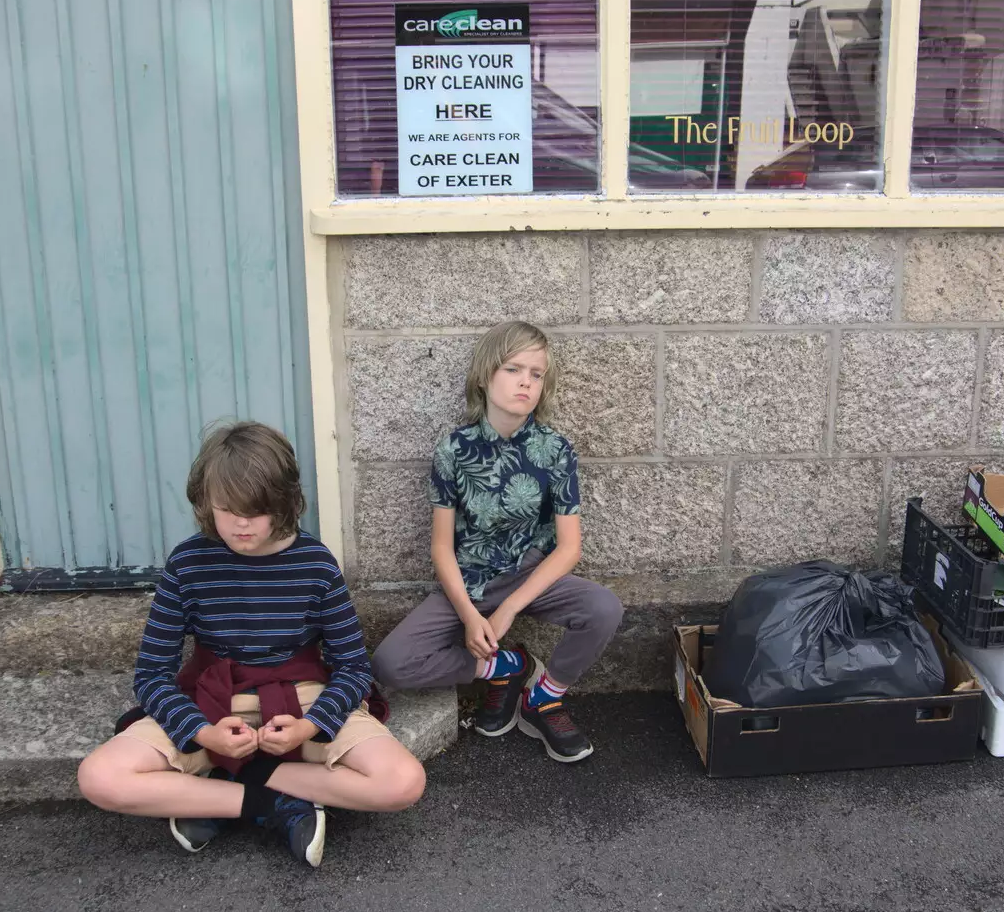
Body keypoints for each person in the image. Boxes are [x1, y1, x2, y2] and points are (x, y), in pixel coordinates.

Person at [77, 422, 425, 865]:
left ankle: (236, 784)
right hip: (210, 699)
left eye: (257, 510)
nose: (242, 523)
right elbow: (151, 675)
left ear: (283, 502)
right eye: (227, 509)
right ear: (205, 502)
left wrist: (309, 726)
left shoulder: (315, 564)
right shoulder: (188, 562)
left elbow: (353, 668)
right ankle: (262, 804)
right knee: (99, 777)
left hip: (301, 698)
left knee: (402, 782)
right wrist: (202, 732)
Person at [372, 321, 624, 763]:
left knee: (604, 608)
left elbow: (569, 548)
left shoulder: (555, 450)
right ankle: (507, 668)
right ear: (486, 375)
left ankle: (543, 697)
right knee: (391, 662)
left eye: (536, 373)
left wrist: (508, 608)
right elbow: (440, 547)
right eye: (513, 369)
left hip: (531, 576)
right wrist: (471, 616)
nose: (526, 381)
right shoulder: (454, 449)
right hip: (468, 581)